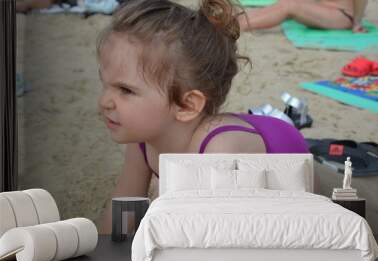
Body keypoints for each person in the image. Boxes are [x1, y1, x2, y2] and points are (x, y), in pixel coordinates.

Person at [96, 0, 309, 234]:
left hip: (294, 173)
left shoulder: (218, 152)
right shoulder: (143, 140)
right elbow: (122, 216)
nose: (104, 102)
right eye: (105, 85)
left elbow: (212, 240)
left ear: (187, 105)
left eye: (125, 90)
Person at [238, 0, 368, 33]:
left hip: (342, 15)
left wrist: (357, 23)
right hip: (326, 8)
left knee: (290, 6)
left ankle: (240, 25)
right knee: (287, 2)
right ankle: (239, 20)